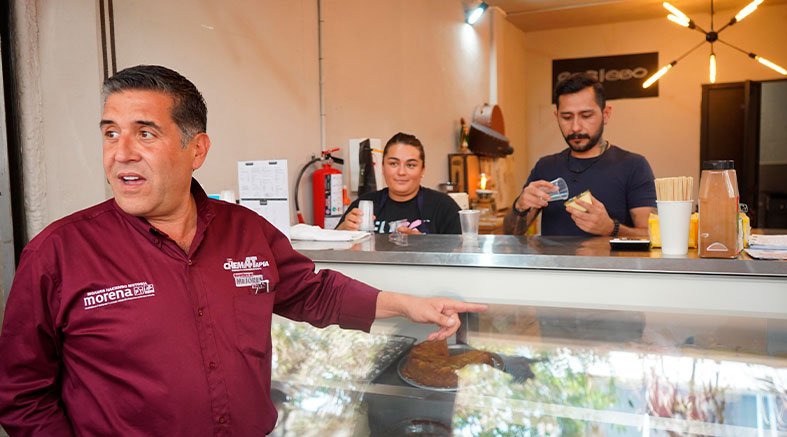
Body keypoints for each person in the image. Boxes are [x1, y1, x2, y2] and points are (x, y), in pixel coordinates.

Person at [0, 65, 486, 435]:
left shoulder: (246, 231)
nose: (121, 151)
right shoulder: (58, 253)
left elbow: (311, 293)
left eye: (145, 133)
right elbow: (23, 395)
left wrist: (410, 305)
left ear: (197, 149)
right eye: (110, 133)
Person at [504, 73, 656, 237]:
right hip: (553, 263)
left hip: (610, 264)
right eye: (567, 117)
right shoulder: (546, 167)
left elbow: (652, 235)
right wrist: (519, 206)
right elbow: (511, 233)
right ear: (557, 116)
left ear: (605, 114)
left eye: (586, 116)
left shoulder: (633, 166)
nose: (575, 127)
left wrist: (612, 228)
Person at [336, 132, 461, 234]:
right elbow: (332, 252)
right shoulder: (364, 204)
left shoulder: (443, 206)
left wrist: (426, 245)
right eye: (393, 164)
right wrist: (342, 231)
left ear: (422, 170)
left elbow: (464, 254)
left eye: (411, 165)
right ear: (383, 167)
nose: (401, 172)